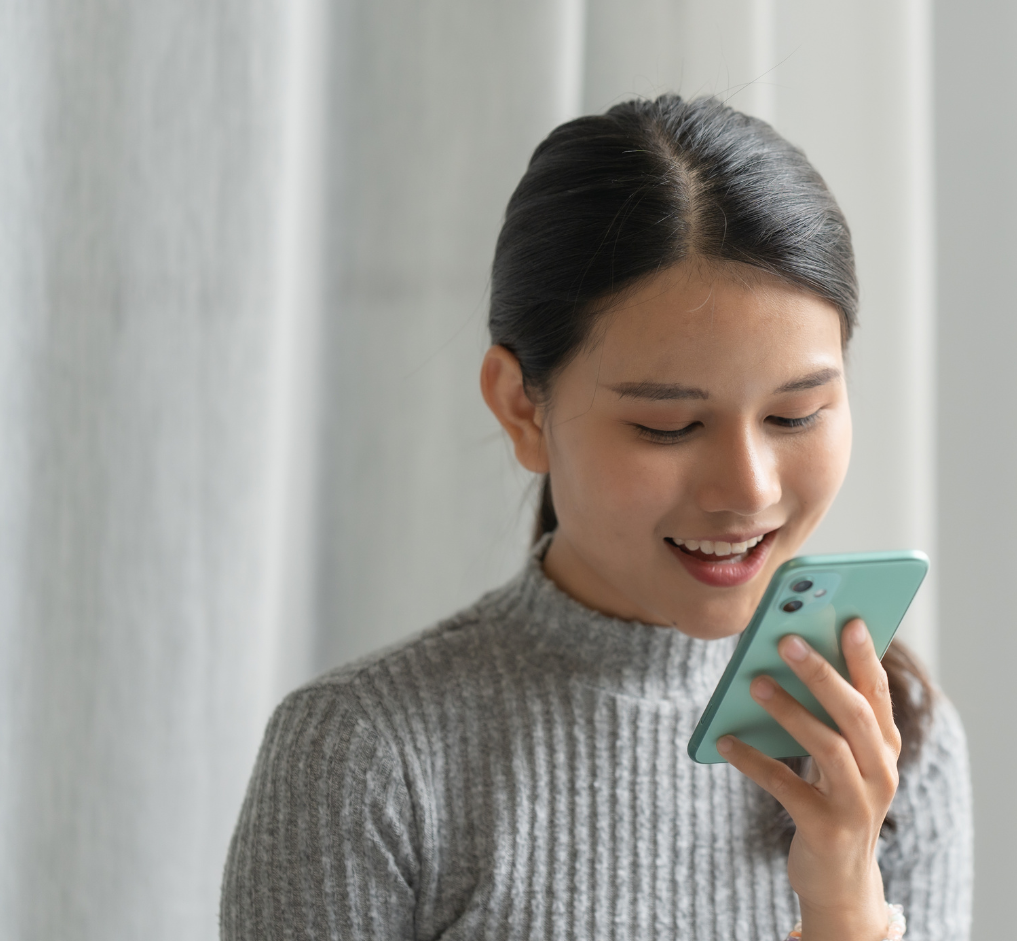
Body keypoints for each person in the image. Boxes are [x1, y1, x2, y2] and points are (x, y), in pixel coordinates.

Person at [221, 95, 972, 940]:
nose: (747, 487)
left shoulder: (897, 741)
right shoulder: (364, 755)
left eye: (794, 415)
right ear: (522, 408)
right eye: (668, 425)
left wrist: (845, 908)